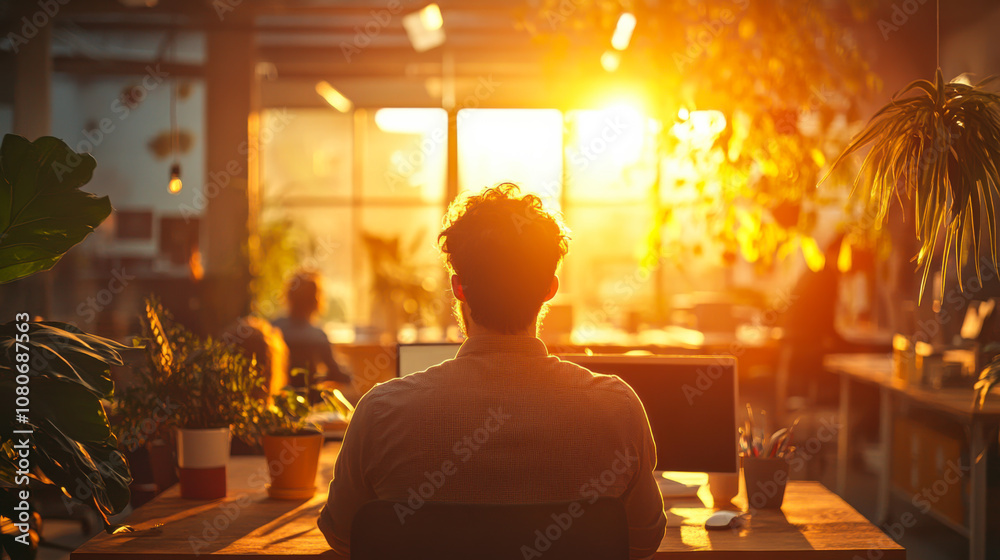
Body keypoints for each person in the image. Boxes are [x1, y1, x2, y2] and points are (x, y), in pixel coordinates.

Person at [318, 184, 666, 559]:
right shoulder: (617, 408)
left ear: (458, 289)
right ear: (550, 289)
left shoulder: (380, 412)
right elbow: (644, 540)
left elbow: (343, 535)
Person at [272, 271, 351, 390]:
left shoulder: (273, 330)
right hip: (309, 403)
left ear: (289, 296)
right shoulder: (318, 336)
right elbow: (337, 374)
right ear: (316, 300)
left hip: (277, 401)